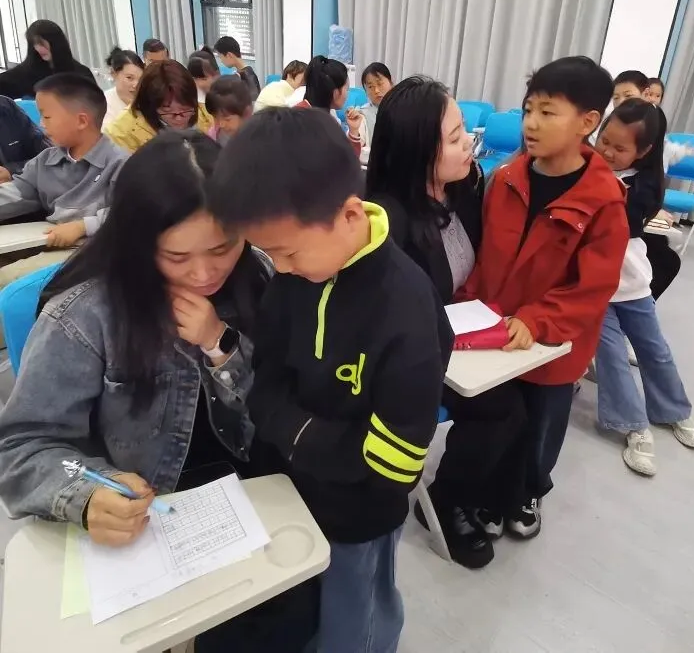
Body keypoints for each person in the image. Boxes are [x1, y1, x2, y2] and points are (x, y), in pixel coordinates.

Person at [0, 129, 317, 652]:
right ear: (138, 243)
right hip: (142, 515)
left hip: (248, 497)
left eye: (223, 247)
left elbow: (281, 404)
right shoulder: (86, 314)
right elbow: (22, 448)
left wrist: (222, 346)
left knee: (289, 613)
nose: (205, 273)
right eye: (176, 255)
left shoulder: (259, 274)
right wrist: (88, 493)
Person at [208, 108, 452, 653]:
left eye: (287, 251)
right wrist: (313, 438)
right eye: (268, 253)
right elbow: (265, 385)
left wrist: (295, 433)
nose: (279, 266)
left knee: (355, 620)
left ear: (348, 215)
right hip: (288, 492)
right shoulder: (296, 276)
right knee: (304, 613)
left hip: (358, 516)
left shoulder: (406, 306)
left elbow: (394, 463)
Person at [457, 56, 629, 537]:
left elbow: (593, 288)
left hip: (552, 343)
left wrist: (537, 320)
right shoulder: (506, 179)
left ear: (587, 122)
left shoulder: (604, 201)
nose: (530, 123)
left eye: (548, 112)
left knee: (539, 428)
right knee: (495, 421)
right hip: (496, 332)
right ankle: (488, 493)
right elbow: (483, 255)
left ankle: (527, 493)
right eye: (528, 109)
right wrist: (471, 305)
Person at [367, 76, 525, 569]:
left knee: (522, 401)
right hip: (409, 358)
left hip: (459, 334)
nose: (469, 146)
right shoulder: (387, 222)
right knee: (502, 409)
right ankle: (444, 500)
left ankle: (480, 490)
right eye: (456, 138)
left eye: (465, 132)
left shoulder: (464, 187)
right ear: (419, 152)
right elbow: (385, 325)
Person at [593, 98, 694, 476]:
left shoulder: (643, 184)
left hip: (631, 281)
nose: (608, 152)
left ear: (643, 152)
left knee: (654, 349)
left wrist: (603, 184)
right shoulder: (587, 168)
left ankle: (672, 410)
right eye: (604, 141)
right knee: (611, 356)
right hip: (595, 285)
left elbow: (623, 227)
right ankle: (632, 424)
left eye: (620, 148)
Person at [0, 73, 127, 292]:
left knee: (5, 279)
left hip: (94, 250)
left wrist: (82, 226)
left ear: (81, 121)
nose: (41, 124)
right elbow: (16, 194)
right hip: (48, 243)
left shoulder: (121, 163)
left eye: (47, 116)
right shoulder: (45, 162)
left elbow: (130, 212)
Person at [611, 70, 684, 300]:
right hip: (613, 228)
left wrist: (653, 208)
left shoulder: (652, 127)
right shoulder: (611, 128)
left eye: (628, 96)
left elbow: (648, 176)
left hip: (631, 215)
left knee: (665, 255)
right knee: (658, 256)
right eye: (616, 97)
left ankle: (636, 304)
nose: (621, 102)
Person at [104, 60, 215, 152]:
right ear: (149, 106)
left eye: (185, 110)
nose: (179, 118)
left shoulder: (209, 115)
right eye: (168, 111)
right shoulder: (121, 133)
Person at [0, 20, 95, 99]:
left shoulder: (81, 73)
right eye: (34, 44)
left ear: (56, 42)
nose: (38, 48)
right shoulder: (24, 74)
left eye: (41, 43)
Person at [297, 55, 366, 159]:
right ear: (335, 92)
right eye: (347, 89)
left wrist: (353, 130)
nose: (347, 94)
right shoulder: (303, 120)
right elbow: (345, 161)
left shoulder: (326, 115)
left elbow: (346, 159)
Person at [0, 95, 49, 181]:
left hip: (20, 184)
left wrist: (11, 171)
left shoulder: (6, 107)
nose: (42, 124)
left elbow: (48, 158)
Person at [206, 74, 253, 146]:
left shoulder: (258, 138)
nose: (221, 124)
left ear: (247, 113)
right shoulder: (213, 136)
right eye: (215, 118)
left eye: (227, 119)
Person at [104, 47, 144, 127]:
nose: (136, 85)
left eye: (140, 79)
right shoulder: (103, 104)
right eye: (129, 78)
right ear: (113, 73)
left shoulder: (146, 99)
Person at [214, 36, 261, 101]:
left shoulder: (247, 76)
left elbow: (253, 101)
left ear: (229, 55)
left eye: (220, 57)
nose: (221, 61)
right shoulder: (244, 72)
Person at [360, 62, 394, 144]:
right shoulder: (363, 114)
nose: (376, 91)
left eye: (380, 84)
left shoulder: (404, 108)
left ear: (391, 83)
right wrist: (354, 130)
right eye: (370, 87)